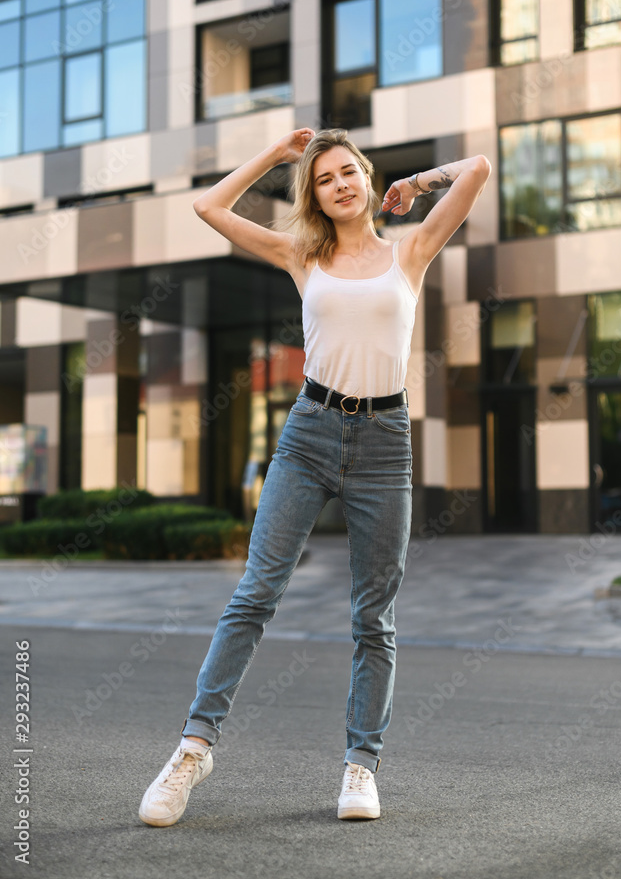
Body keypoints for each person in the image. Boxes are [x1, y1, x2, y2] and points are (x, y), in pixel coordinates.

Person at [138, 127, 491, 827]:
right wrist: (274, 156)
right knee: (255, 592)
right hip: (309, 432)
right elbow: (209, 208)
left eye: (348, 172)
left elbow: (476, 168)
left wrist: (416, 185)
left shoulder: (410, 250)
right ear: (317, 197)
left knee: (373, 618)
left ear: (366, 179)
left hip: (385, 442)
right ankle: (191, 750)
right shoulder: (302, 255)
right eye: (325, 178)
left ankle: (360, 767)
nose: (339, 184)